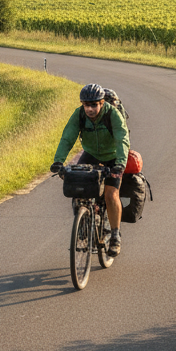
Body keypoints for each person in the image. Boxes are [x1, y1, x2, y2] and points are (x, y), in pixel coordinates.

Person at [50, 83, 129, 255]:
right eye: (86, 105)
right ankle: (84, 222)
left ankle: (115, 235)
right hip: (91, 154)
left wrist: (120, 164)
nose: (90, 109)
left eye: (94, 105)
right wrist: (58, 161)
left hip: (113, 156)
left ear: (101, 103)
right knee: (78, 187)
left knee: (110, 193)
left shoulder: (112, 114)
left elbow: (122, 139)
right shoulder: (79, 115)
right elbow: (67, 138)